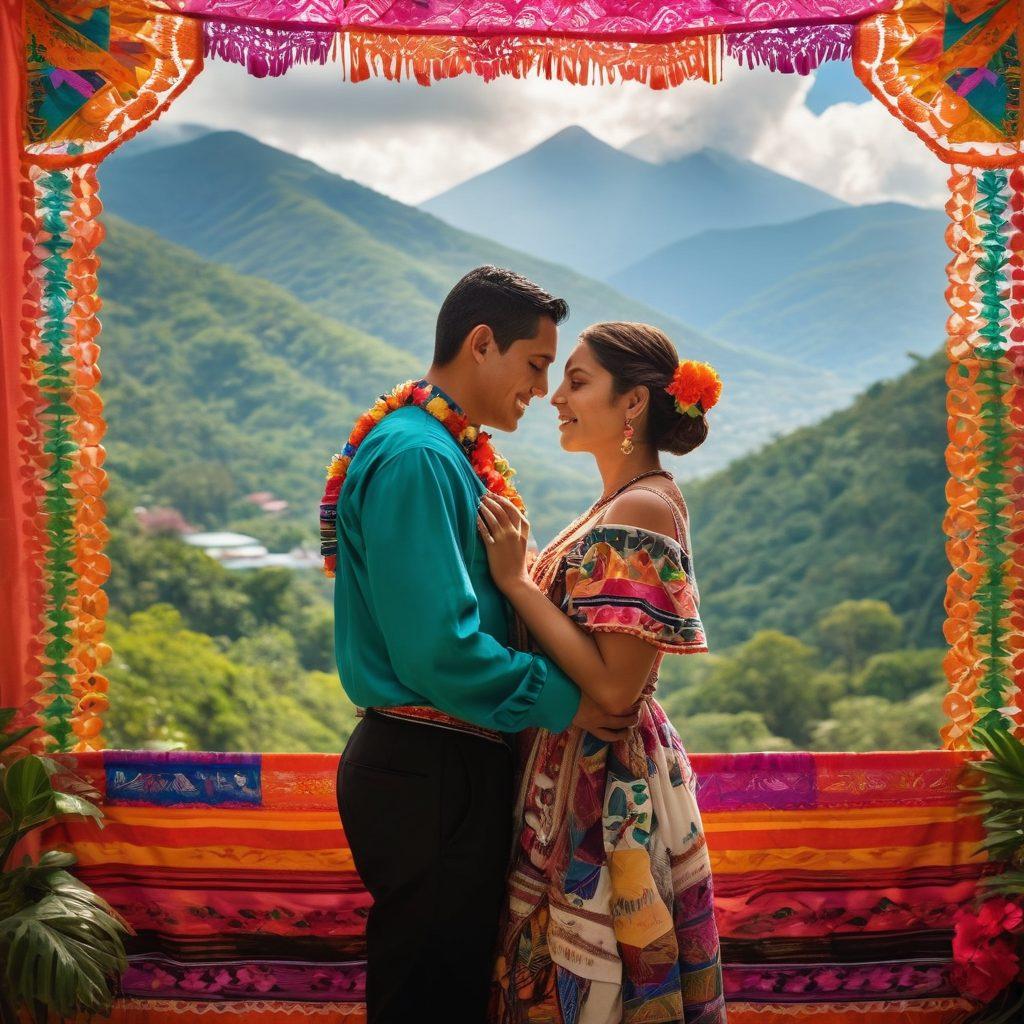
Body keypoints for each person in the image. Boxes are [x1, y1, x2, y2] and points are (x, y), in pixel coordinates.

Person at [321, 268, 639, 1024]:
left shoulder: (439, 450)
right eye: (536, 363)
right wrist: (572, 702)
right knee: (429, 997)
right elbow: (439, 650)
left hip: (440, 766)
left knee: (446, 985)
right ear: (482, 343)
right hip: (429, 766)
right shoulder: (420, 457)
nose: (542, 388)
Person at [478, 322, 727, 1023]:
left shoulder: (639, 508)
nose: (556, 397)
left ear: (634, 403)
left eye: (577, 381)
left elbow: (616, 687)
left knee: (589, 989)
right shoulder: (622, 502)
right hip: (577, 766)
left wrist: (517, 582)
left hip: (605, 783)